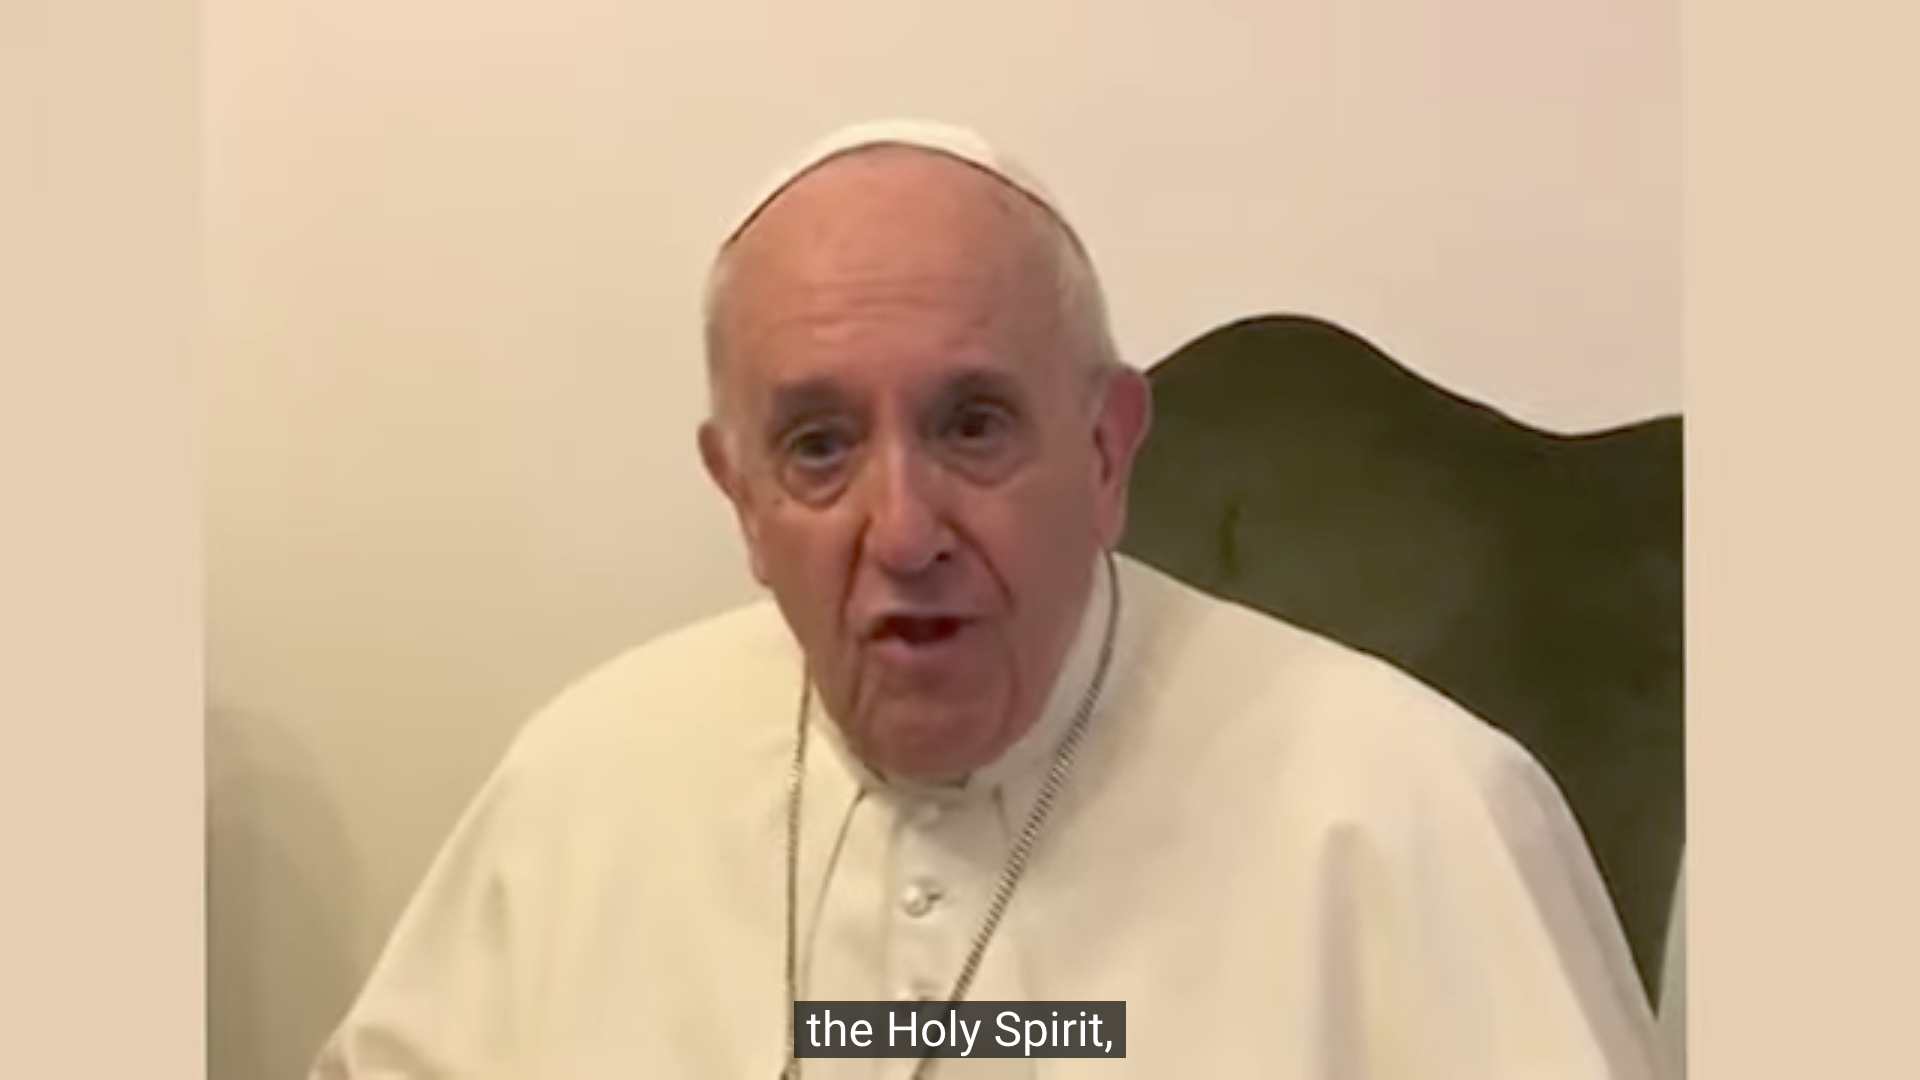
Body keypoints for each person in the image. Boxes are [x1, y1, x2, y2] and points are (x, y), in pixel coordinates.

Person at [308, 119, 1666, 1079]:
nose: (905, 532)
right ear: (740, 498)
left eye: (972, 425)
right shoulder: (578, 790)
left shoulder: (1414, 810)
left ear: (1106, 452)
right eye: (820, 446)